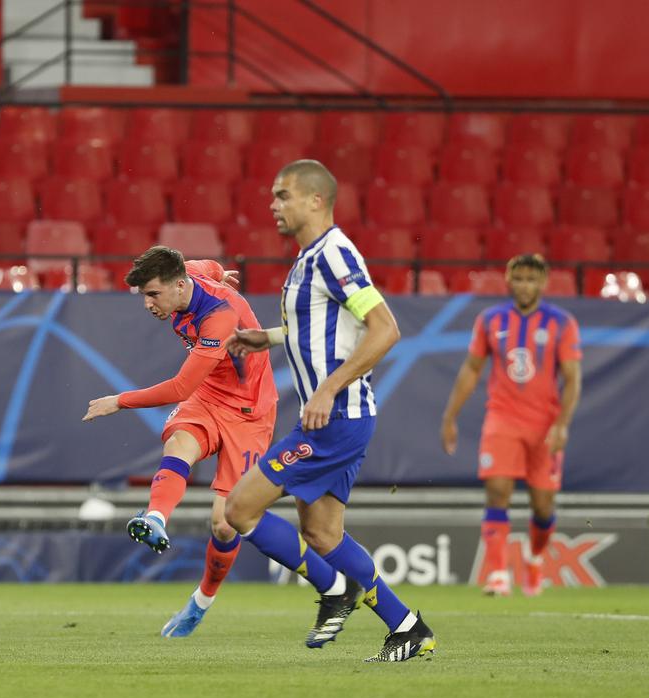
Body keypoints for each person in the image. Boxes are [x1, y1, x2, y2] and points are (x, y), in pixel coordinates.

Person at [83, 246, 359, 642]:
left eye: (153, 295)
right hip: (208, 398)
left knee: (226, 523)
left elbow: (179, 386)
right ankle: (155, 518)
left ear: (179, 287)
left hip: (249, 413)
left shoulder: (220, 318)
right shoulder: (189, 273)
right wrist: (223, 271)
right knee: (180, 442)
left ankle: (201, 601)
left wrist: (119, 401)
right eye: (144, 295)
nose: (148, 304)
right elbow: (206, 266)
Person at [224, 159, 436, 662]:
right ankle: (408, 627)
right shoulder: (308, 259)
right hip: (331, 417)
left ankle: (334, 589)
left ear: (316, 200)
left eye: (283, 195)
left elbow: (384, 328)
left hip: (334, 417)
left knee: (238, 508)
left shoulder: (335, 254)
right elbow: (328, 327)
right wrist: (268, 338)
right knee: (321, 533)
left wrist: (327, 390)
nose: (273, 205)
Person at [440, 253, 582, 597]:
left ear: (543, 283)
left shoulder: (561, 323)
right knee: (498, 492)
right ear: (509, 281)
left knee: (543, 506)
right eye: (518, 279)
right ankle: (499, 574)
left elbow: (573, 378)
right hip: (502, 418)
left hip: (544, 424)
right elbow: (472, 369)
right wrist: (450, 416)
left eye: (532, 279)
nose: (524, 286)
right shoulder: (491, 319)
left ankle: (534, 558)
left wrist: (562, 424)